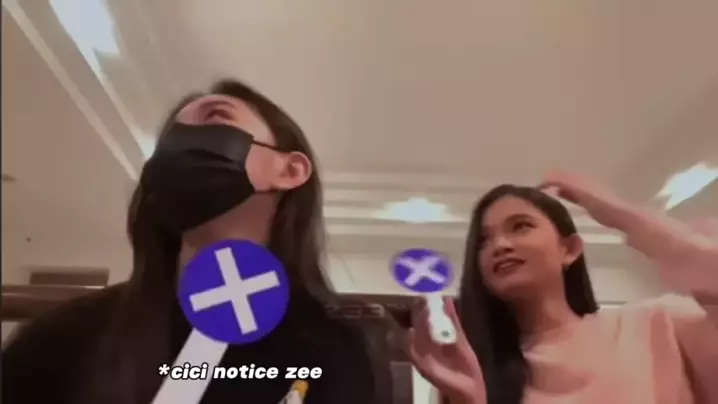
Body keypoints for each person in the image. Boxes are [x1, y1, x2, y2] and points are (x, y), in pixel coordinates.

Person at [2, 79, 389, 404]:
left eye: (216, 118)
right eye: (171, 139)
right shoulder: (66, 336)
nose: (182, 147)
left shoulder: (337, 347)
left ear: (290, 170)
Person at [406, 172, 718, 404]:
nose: (499, 245)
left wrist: (629, 219)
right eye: (483, 240)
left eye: (520, 226)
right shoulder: (475, 368)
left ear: (569, 249)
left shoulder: (658, 324)